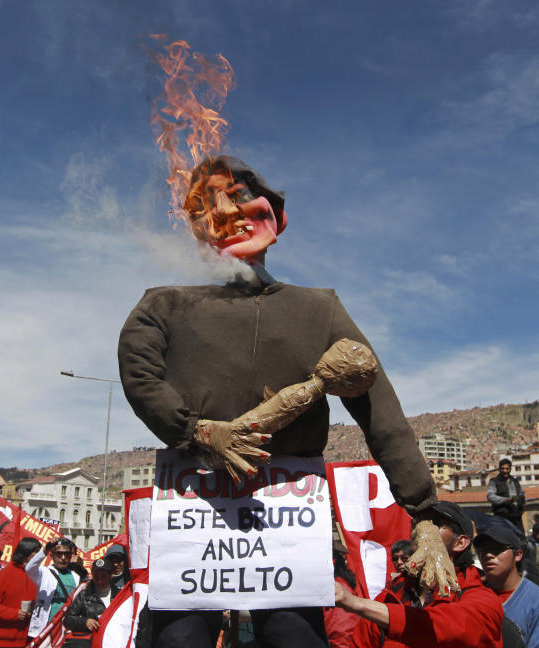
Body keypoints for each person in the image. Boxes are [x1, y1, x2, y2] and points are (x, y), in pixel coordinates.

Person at [118, 155, 435, 648]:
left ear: (273, 217)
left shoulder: (318, 309)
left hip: (286, 514)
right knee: (180, 639)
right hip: (195, 504)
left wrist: (427, 514)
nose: (227, 210)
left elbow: (380, 412)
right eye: (211, 203)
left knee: (293, 636)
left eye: (240, 196)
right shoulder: (164, 304)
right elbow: (140, 375)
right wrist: (199, 432)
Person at [340, 501, 503, 648]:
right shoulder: (389, 598)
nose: (421, 530)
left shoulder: (483, 600)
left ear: (460, 543)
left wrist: (357, 604)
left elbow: (445, 626)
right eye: (416, 523)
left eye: (436, 524)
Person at [474, 524, 539, 648]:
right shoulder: (473, 595)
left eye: (497, 549)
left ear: (518, 555)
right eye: (483, 550)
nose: (488, 555)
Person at [0, 538, 40, 648]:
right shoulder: (5, 574)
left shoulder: (38, 575)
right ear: (25, 555)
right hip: (5, 640)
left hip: (29, 639)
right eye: (36, 555)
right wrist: (15, 614)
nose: (39, 559)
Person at [26, 538, 81, 638]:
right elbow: (28, 569)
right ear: (52, 556)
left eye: (67, 554)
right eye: (59, 554)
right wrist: (44, 551)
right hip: (42, 630)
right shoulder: (43, 572)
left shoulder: (76, 577)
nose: (63, 558)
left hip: (63, 631)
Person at [63, 559, 120, 648]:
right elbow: (67, 620)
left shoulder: (120, 596)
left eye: (103, 576)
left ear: (110, 575)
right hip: (89, 643)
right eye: (96, 577)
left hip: (113, 642)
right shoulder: (84, 595)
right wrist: (85, 622)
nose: (99, 581)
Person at [487, 459, 525, 532]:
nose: (505, 471)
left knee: (519, 538)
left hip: (516, 517)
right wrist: (506, 500)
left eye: (507, 469)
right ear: (499, 469)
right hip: (502, 516)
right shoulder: (494, 481)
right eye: (503, 468)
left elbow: (521, 496)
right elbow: (490, 496)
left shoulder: (515, 481)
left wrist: (520, 502)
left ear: (510, 469)